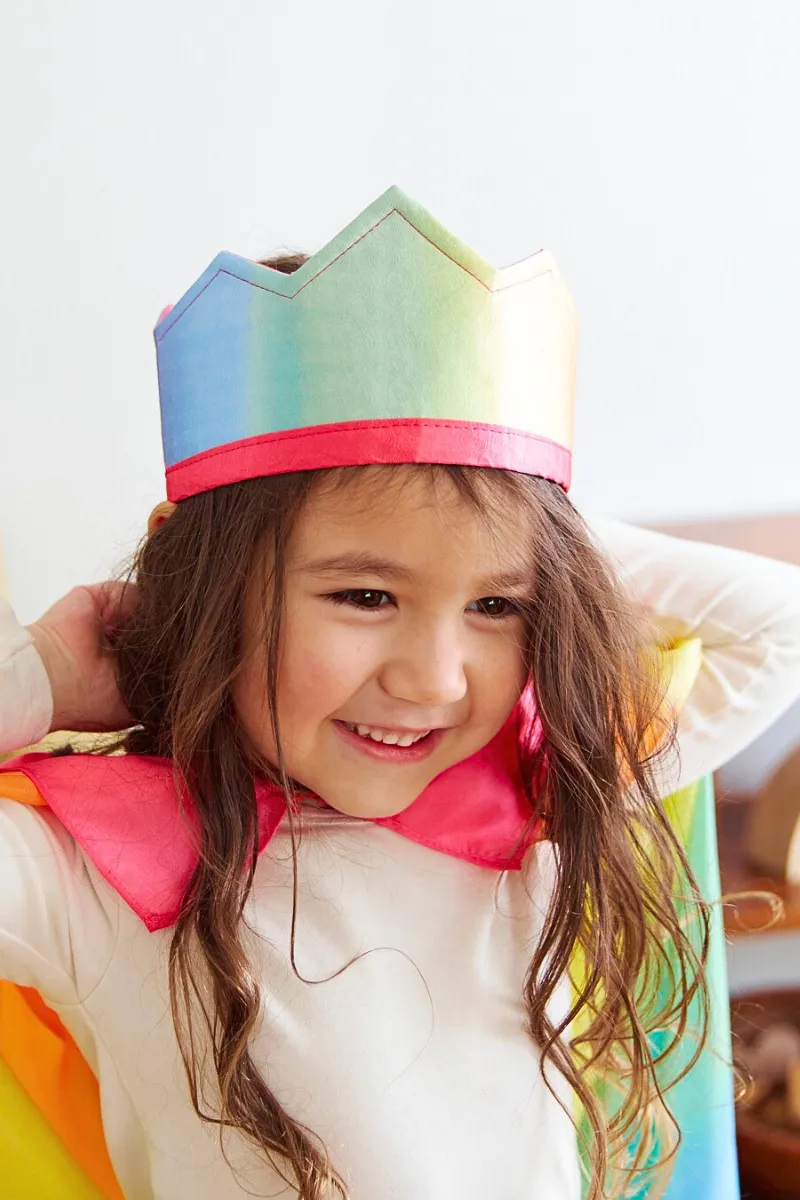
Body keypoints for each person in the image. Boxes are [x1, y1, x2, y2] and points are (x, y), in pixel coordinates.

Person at [1, 187, 800, 1200]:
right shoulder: (98, 878)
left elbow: (775, 620)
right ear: (199, 581)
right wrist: (39, 675)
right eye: (366, 593)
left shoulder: (535, 796)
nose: (432, 679)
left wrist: (507, 505)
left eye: (496, 606)